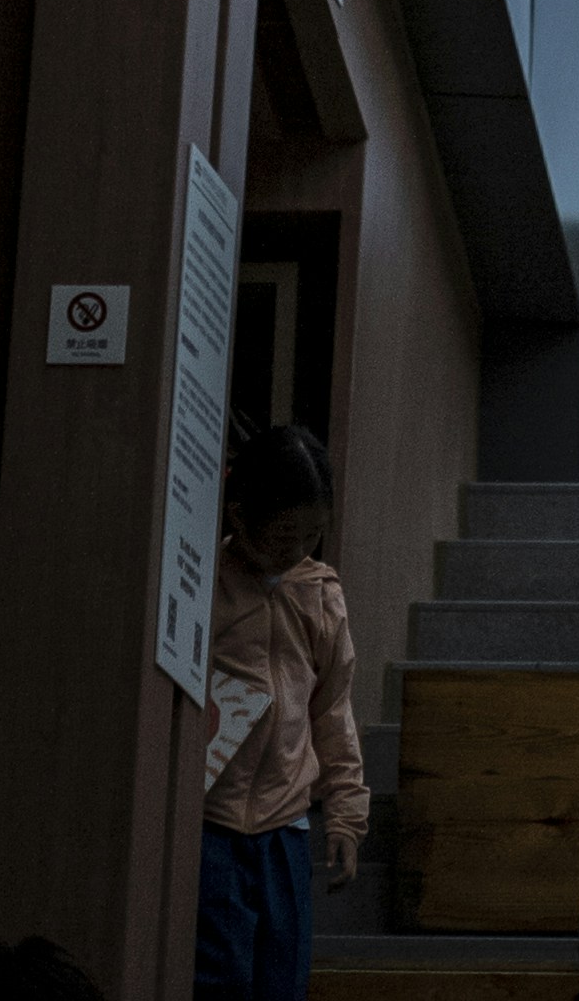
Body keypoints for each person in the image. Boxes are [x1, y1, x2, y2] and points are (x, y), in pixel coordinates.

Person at [196, 424, 367, 998]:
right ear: (240, 517)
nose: (297, 550)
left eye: (312, 535)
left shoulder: (320, 595)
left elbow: (333, 710)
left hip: (285, 826)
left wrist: (344, 812)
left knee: (281, 977)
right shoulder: (208, 585)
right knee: (220, 976)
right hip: (209, 821)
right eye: (283, 534)